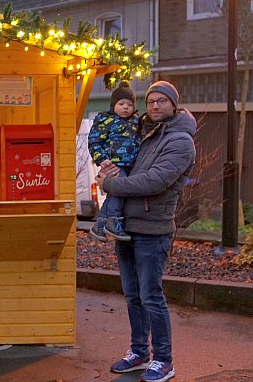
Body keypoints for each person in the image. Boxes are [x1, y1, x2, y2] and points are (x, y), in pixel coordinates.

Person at [96, 81, 196, 382]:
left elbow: (154, 181)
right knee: (132, 296)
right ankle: (139, 352)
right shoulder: (143, 133)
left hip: (153, 229)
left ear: (173, 105)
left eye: (162, 101)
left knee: (151, 296)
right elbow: (123, 161)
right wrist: (107, 166)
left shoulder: (179, 141)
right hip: (127, 226)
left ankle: (164, 360)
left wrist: (109, 184)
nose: (155, 106)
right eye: (151, 101)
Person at [88, 80, 140, 242]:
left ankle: (99, 225)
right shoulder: (106, 121)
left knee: (115, 195)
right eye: (121, 103)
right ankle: (113, 221)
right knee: (119, 192)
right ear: (113, 105)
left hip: (130, 165)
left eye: (129, 105)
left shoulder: (135, 122)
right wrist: (102, 159)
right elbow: (94, 141)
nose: (126, 107)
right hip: (113, 165)